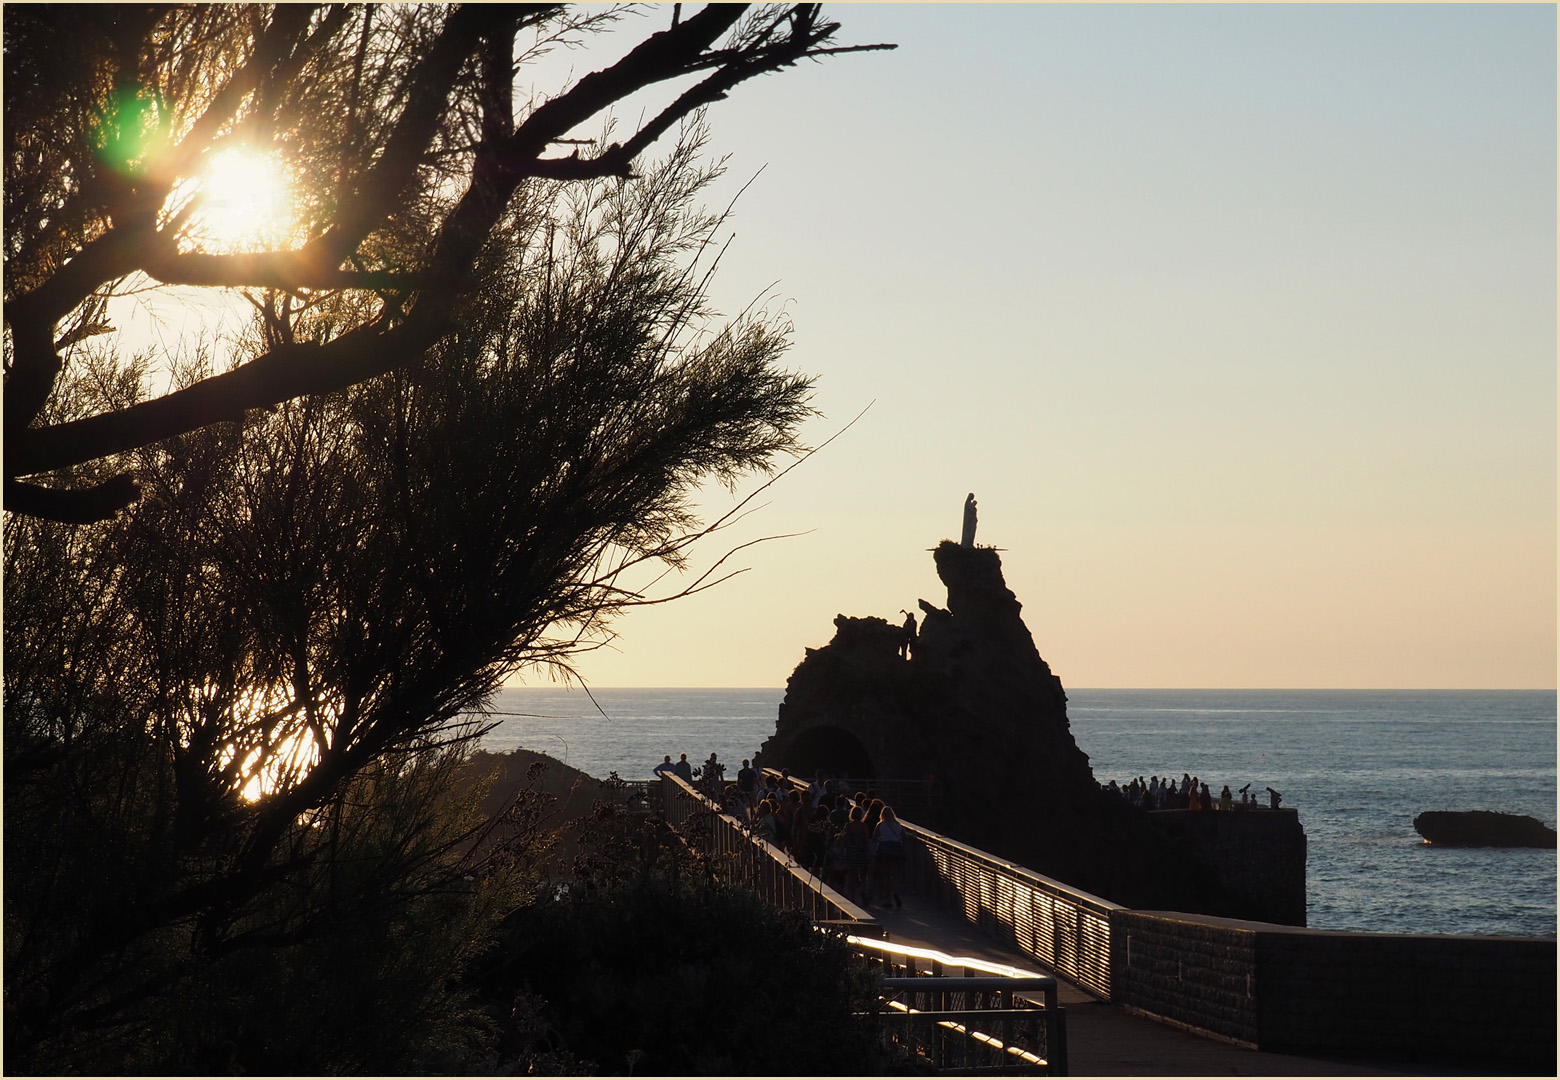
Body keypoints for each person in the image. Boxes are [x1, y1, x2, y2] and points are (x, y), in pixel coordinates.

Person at [872, 805, 906, 908]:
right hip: (896, 851)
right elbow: (904, 837)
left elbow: (874, 838)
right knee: (896, 875)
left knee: (886, 875)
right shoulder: (898, 825)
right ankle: (896, 892)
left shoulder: (880, 825)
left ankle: (888, 900)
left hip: (884, 851)